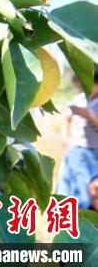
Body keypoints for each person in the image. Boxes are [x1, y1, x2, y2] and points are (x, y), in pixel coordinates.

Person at [56, 65, 98, 210]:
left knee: (88, 191)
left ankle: (86, 219)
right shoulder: (80, 99)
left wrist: (88, 116)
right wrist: (65, 139)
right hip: (77, 148)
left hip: (93, 152)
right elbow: (66, 118)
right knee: (67, 186)